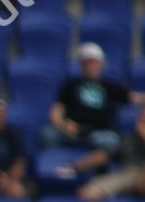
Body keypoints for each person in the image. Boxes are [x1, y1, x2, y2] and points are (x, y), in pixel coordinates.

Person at [45, 43, 144, 177]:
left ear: (102, 64)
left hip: (99, 133)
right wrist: (63, 125)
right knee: (48, 134)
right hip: (72, 130)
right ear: (82, 65)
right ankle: (49, 173)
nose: (92, 65)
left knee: (112, 141)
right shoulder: (71, 85)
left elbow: (136, 98)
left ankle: (89, 172)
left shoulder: (111, 86)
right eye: (88, 62)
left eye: (95, 62)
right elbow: (56, 111)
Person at [80, 108, 145, 202]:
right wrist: (75, 166)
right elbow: (105, 154)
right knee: (90, 191)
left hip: (138, 175)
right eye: (141, 117)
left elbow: (141, 186)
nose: (142, 120)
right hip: (130, 175)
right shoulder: (129, 139)